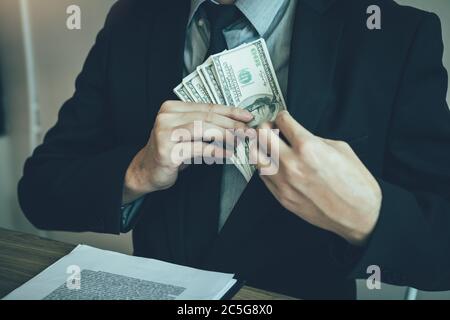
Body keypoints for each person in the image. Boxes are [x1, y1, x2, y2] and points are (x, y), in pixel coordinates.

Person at [18, 0, 450, 299]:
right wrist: (137, 171)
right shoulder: (132, 18)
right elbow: (40, 194)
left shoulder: (394, 35)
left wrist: (365, 216)